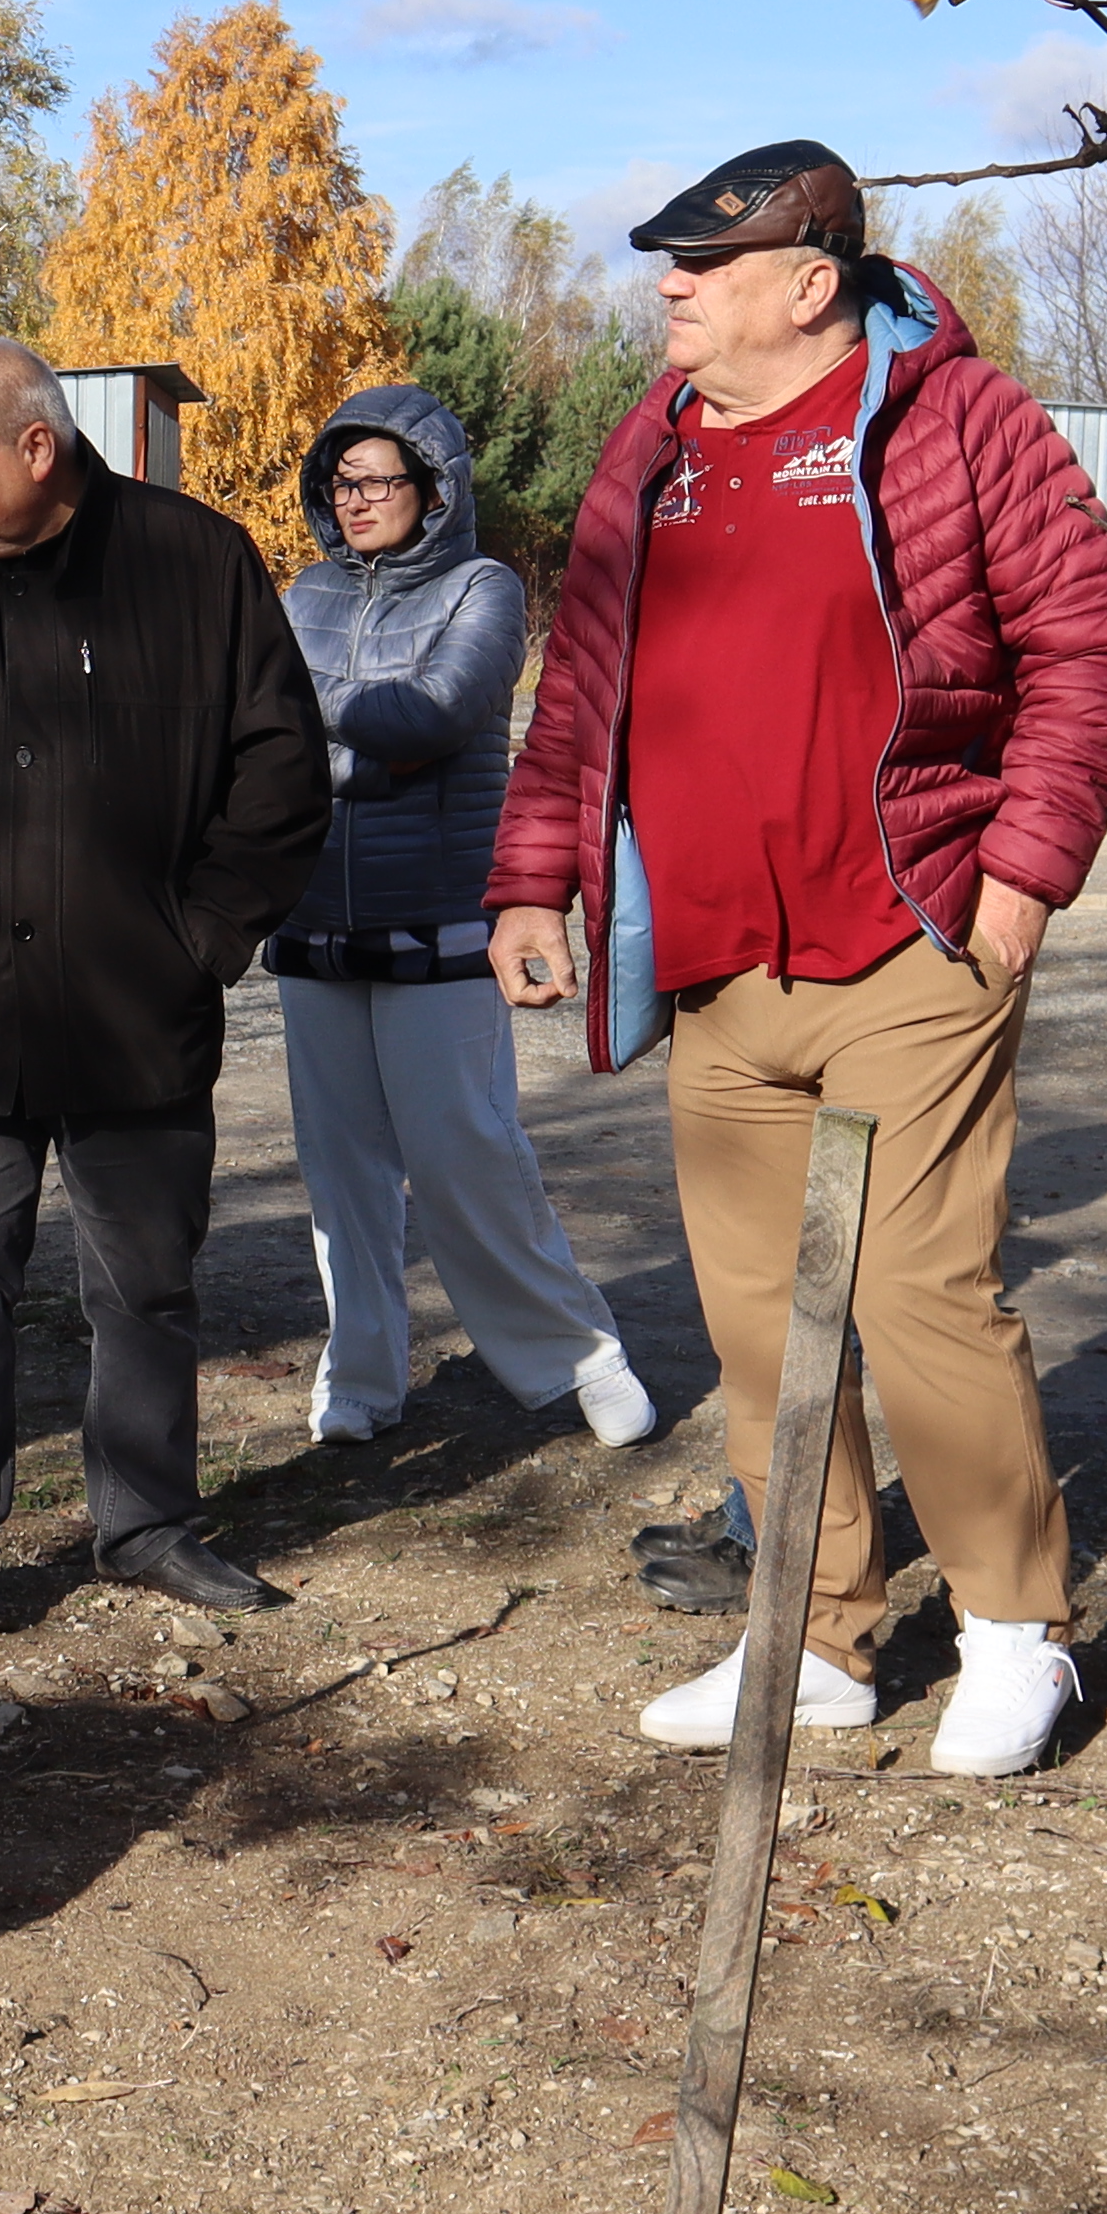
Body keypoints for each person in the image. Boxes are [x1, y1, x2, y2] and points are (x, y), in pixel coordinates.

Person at [485, 142, 1107, 1779]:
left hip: (911, 935)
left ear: (809, 282)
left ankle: (1014, 1634)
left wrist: (1022, 880)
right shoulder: (656, 449)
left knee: (921, 1294)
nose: (668, 291)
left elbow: (1089, 646)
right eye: (667, 267)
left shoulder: (962, 423)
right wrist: (532, 881)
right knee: (764, 1326)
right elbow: (580, 688)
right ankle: (815, 1640)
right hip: (715, 964)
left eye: (700, 269)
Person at [0, 339, 333, 1627]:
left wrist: (196, 938)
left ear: (36, 449)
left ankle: (146, 1522)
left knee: (145, 1287)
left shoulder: (192, 563)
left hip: (137, 1020)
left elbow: (281, 774)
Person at [270, 384, 658, 1452]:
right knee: (340, 1175)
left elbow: (429, 713)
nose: (356, 499)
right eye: (340, 481)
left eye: (378, 479)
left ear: (435, 488)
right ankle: (361, 1378)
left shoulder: (486, 589)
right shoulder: (301, 595)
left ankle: (579, 1354)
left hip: (441, 925)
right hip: (312, 927)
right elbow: (251, 734)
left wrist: (298, 713)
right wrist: (310, 725)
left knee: (465, 1158)